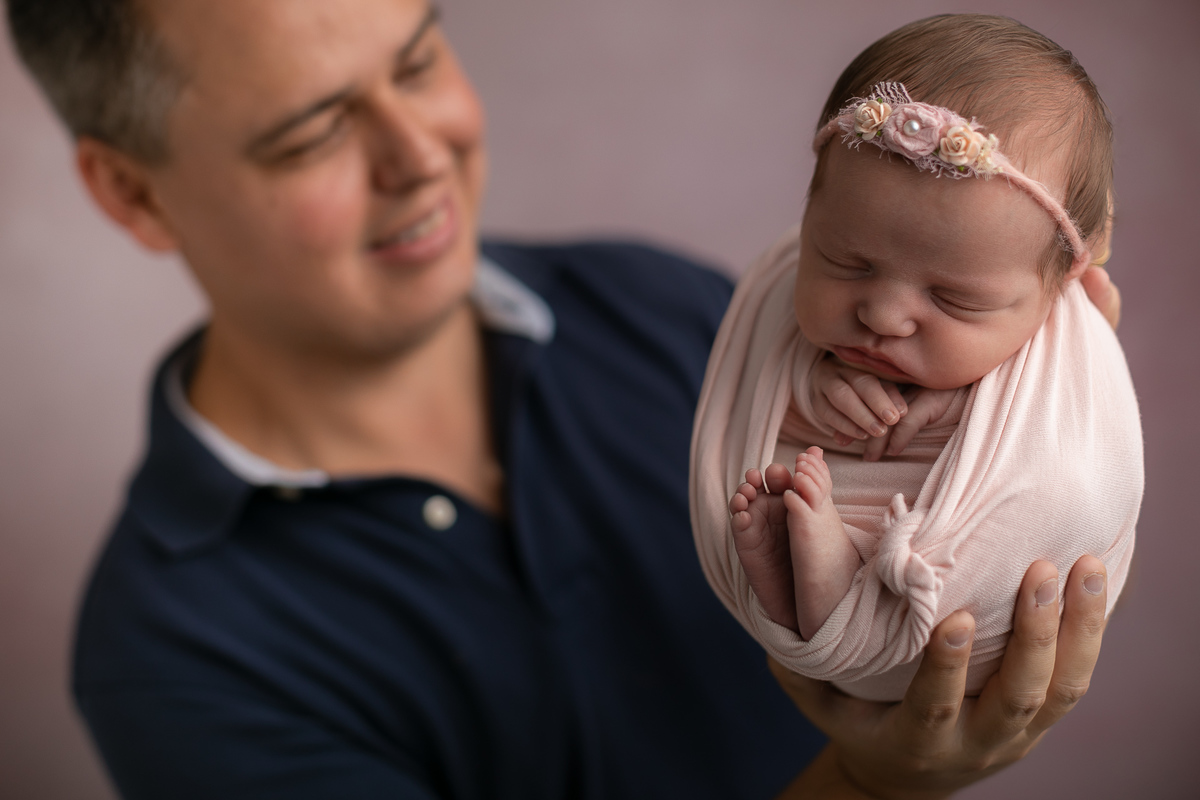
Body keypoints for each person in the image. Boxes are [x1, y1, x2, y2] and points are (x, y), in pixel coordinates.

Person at [5, 1, 1120, 797]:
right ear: (134, 190)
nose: (418, 154)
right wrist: (867, 787)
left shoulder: (666, 306)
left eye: (417, 57)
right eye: (311, 132)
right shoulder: (177, 657)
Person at [691, 15, 1141, 702]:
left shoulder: (1060, 345)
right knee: (792, 476)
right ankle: (820, 584)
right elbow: (767, 376)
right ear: (810, 214)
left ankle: (844, 592)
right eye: (846, 262)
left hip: (961, 567)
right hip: (833, 486)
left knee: (1058, 494)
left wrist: (968, 401)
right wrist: (816, 385)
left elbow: (1069, 436)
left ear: (1058, 286)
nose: (882, 315)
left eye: (953, 299)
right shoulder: (790, 301)